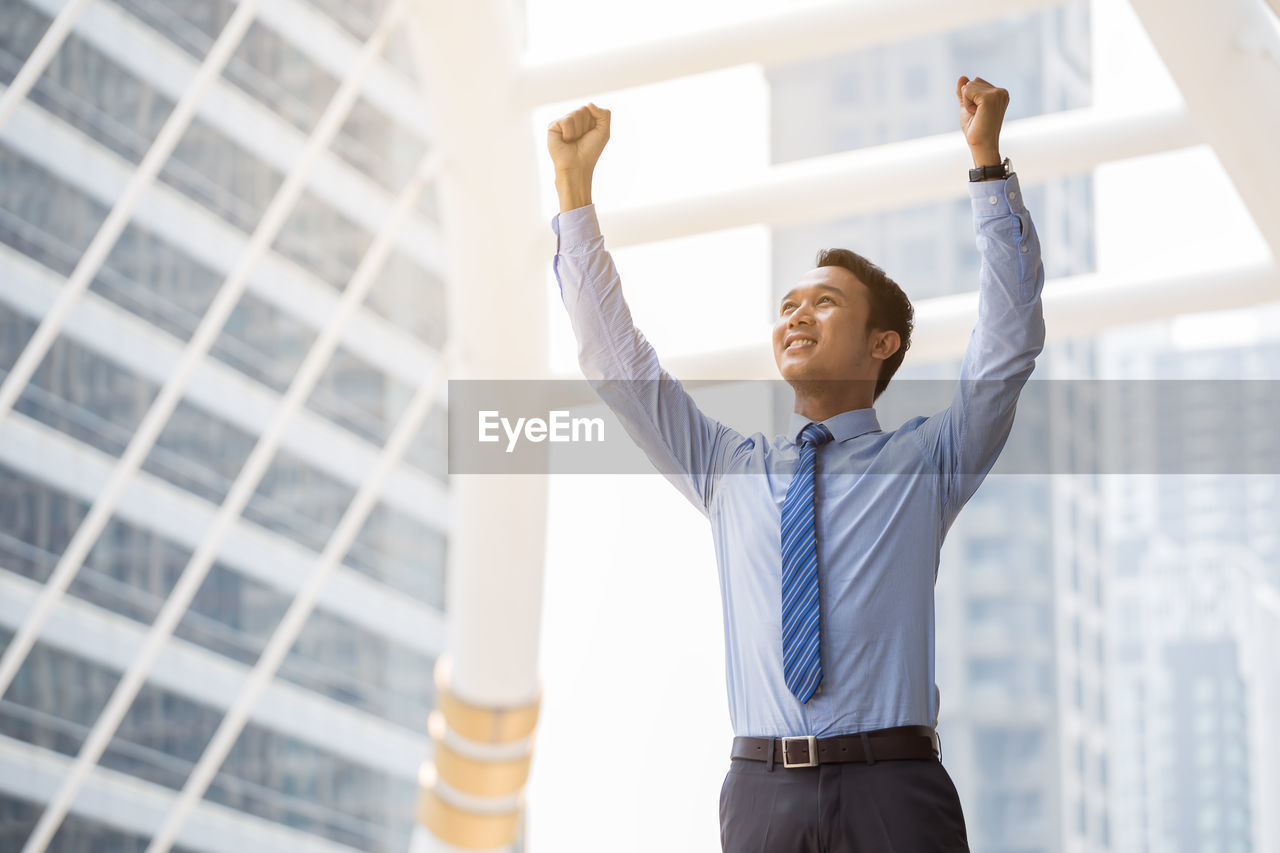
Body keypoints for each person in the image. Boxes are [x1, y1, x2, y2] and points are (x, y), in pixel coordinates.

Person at [546, 75, 1043, 852]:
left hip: (895, 788)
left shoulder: (926, 460)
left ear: (883, 345)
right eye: (788, 306)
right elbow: (618, 364)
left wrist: (986, 164)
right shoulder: (724, 467)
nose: (797, 316)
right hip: (760, 791)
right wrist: (574, 192)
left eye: (825, 303)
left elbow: (1008, 344)